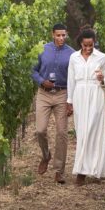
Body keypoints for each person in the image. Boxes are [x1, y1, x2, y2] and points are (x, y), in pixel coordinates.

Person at [66, 27, 105, 186]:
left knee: (94, 131)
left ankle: (89, 171)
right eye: (85, 45)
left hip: (95, 94)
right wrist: (69, 101)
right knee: (82, 132)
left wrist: (102, 78)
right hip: (80, 95)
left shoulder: (102, 57)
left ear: (94, 43)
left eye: (90, 45)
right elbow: (70, 80)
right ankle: (84, 169)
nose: (88, 48)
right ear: (80, 43)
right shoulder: (74, 58)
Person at [31, 23, 76, 183]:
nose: (61, 38)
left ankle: (59, 170)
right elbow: (33, 70)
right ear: (52, 35)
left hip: (62, 94)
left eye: (63, 35)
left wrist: (71, 101)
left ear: (67, 35)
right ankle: (46, 155)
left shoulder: (72, 54)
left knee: (62, 133)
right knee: (40, 130)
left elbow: (74, 79)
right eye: (58, 35)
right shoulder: (43, 50)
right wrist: (42, 81)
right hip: (43, 94)